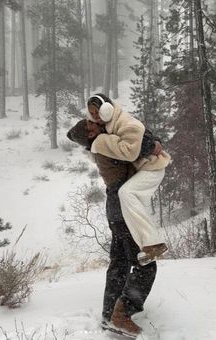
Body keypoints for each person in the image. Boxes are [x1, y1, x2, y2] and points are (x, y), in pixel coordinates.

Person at [67, 120, 157, 338]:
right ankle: (123, 314)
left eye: (90, 122)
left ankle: (109, 317)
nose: (94, 124)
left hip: (115, 210)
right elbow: (140, 147)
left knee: (119, 264)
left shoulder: (99, 145)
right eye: (89, 128)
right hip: (124, 211)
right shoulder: (104, 143)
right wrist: (155, 141)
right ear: (90, 137)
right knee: (146, 265)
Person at [86, 93, 171, 265]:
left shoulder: (125, 122)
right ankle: (148, 248)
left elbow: (130, 150)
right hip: (144, 170)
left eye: (97, 112)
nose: (95, 117)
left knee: (126, 193)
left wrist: (100, 142)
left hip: (153, 169)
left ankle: (154, 244)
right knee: (135, 207)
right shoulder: (108, 126)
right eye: (92, 114)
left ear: (107, 109)